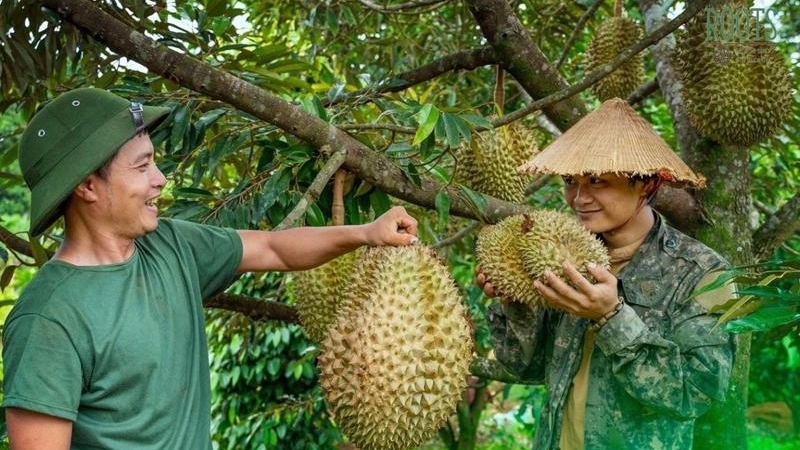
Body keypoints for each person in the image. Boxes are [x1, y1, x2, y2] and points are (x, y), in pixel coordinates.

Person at [2, 87, 419, 450]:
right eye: (142, 166)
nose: (160, 179)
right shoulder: (49, 319)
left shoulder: (169, 245)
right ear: (87, 186)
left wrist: (367, 232)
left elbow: (275, 248)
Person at [478, 98, 736, 450]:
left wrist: (611, 318)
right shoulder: (560, 255)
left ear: (645, 185)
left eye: (597, 181)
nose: (579, 198)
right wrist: (516, 304)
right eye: (571, 181)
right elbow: (527, 369)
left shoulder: (701, 273)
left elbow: (696, 394)